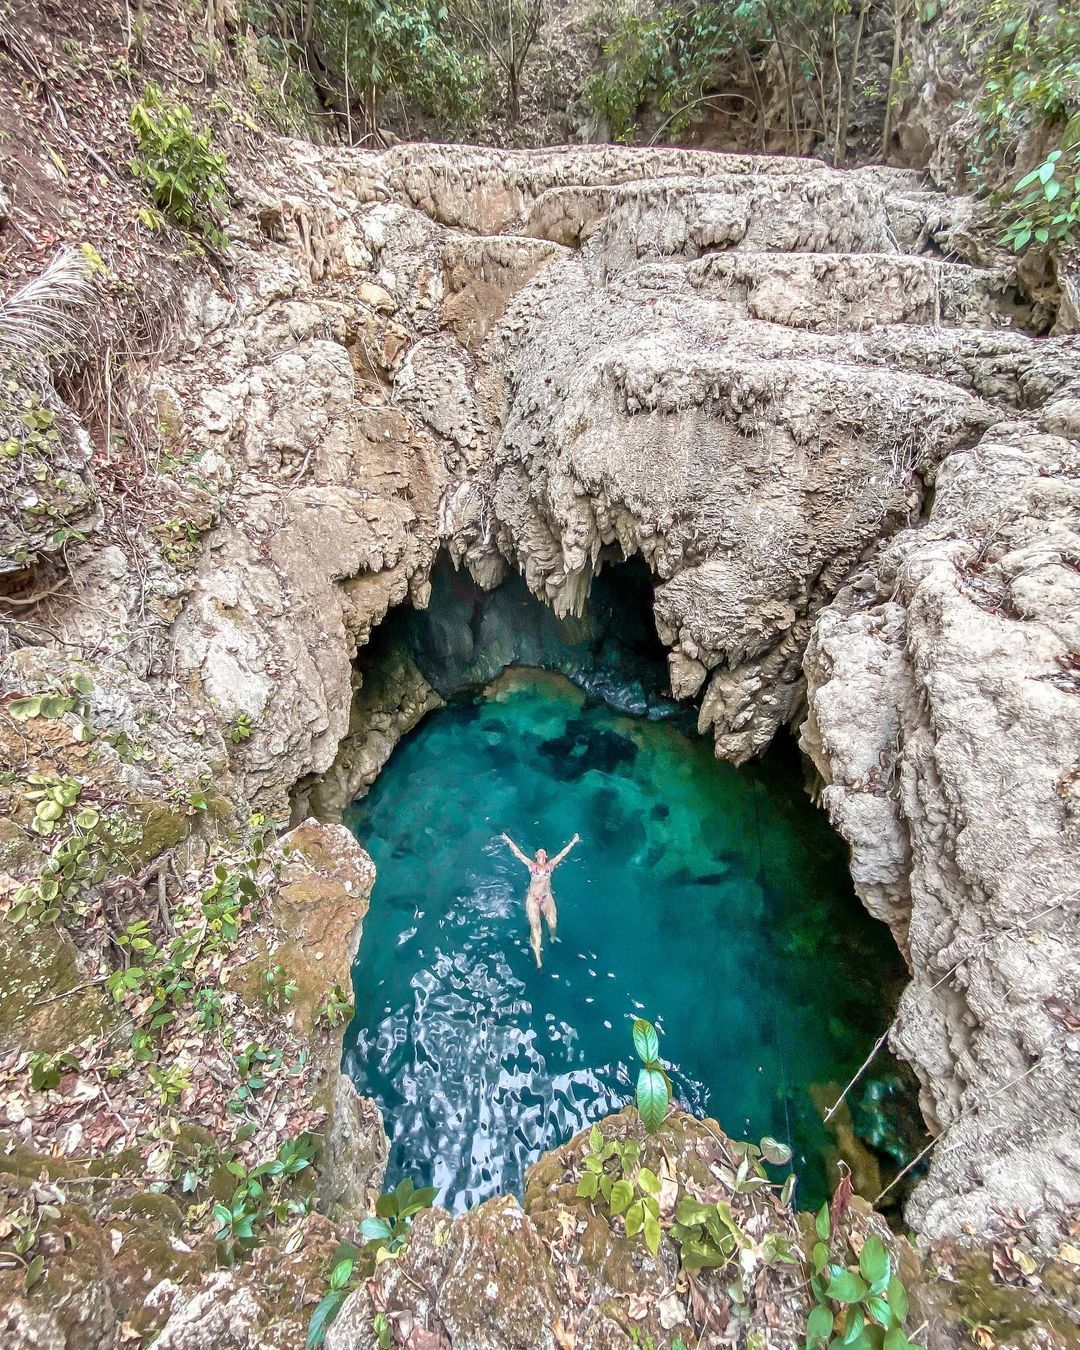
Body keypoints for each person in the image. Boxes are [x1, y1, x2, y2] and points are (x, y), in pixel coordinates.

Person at [500, 831, 580, 968]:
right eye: (539, 853)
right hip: (533, 898)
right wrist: (507, 839)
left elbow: (562, 854)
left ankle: (553, 937)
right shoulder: (531, 865)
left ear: (546, 856)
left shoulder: (551, 865)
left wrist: (573, 842)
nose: (542, 855)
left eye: (544, 853)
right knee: (536, 927)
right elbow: (518, 853)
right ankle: (538, 960)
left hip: (546, 897)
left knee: (553, 923)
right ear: (536, 856)